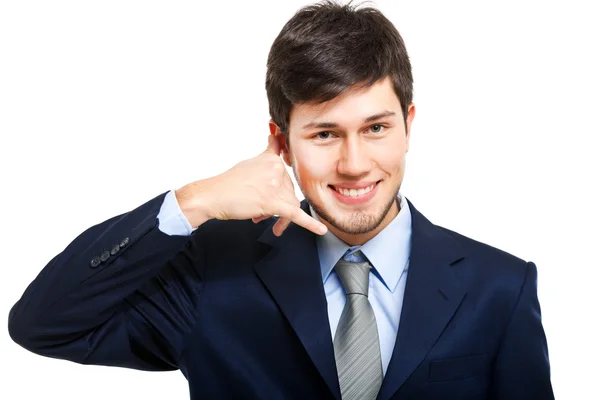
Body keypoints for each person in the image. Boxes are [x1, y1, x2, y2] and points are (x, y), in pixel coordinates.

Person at [8, 1, 553, 399]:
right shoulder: (209, 279)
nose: (355, 163)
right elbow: (45, 324)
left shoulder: (499, 288)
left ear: (408, 125)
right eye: (323, 134)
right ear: (281, 143)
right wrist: (194, 201)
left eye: (376, 128)